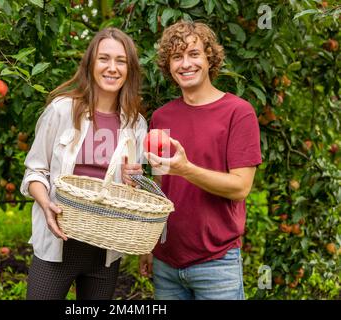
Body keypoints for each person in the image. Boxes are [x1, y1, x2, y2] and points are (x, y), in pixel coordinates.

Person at [137, 20, 262, 300]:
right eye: (177, 57)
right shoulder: (161, 117)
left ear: (209, 59)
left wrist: (186, 169)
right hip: (166, 263)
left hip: (217, 263)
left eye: (194, 54)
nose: (185, 64)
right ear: (168, 66)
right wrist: (149, 243)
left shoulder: (238, 113)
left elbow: (240, 187)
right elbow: (160, 188)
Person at [20, 28, 147, 300]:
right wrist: (45, 204)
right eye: (104, 58)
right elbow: (35, 171)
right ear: (90, 63)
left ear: (130, 69)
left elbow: (133, 191)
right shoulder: (62, 110)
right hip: (58, 242)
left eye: (121, 61)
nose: (112, 68)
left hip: (105, 251)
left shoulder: (135, 123)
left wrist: (133, 182)